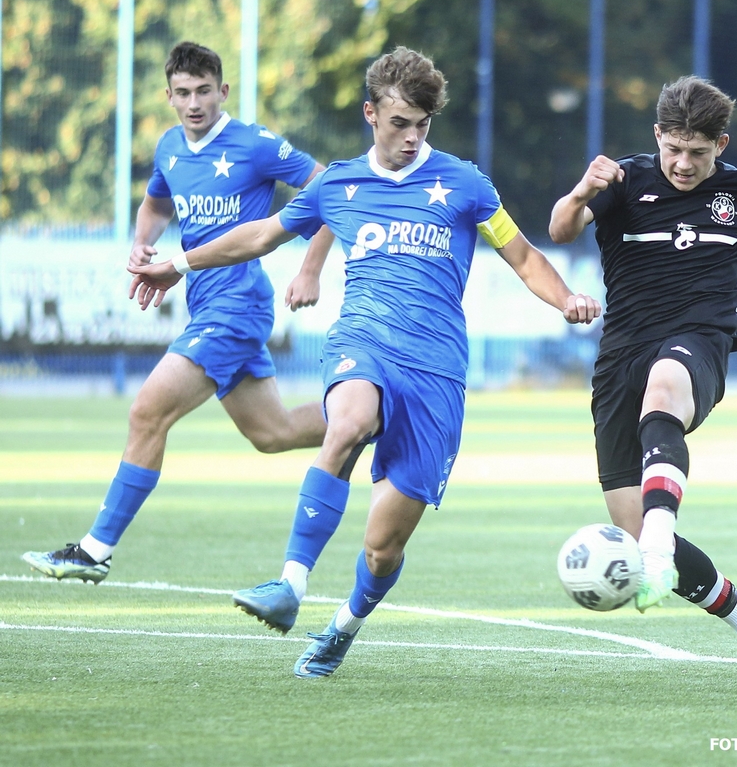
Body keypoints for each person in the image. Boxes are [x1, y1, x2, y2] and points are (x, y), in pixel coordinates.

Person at [127, 46, 601, 679]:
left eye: (422, 125)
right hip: (363, 340)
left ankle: (343, 626)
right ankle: (290, 583)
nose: (411, 138)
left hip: (436, 371)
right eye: (399, 123)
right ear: (371, 113)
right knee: (348, 421)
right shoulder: (339, 184)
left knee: (382, 549)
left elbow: (523, 256)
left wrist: (565, 298)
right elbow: (261, 235)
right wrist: (177, 263)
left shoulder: (465, 184)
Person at [22, 42, 334, 584]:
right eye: (183, 93)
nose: (194, 103)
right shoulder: (170, 147)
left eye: (204, 91)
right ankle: (380, 419)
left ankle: (94, 551)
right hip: (207, 305)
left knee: (147, 412)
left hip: (237, 306)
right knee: (273, 432)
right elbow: (156, 203)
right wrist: (142, 242)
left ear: (223, 91)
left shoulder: (254, 145)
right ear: (168, 96)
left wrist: (310, 268)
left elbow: (330, 188)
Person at [548, 75, 737, 686]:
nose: (683, 164)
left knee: (664, 389)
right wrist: (582, 189)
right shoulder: (623, 180)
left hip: (699, 339)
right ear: (657, 136)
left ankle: (656, 547)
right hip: (620, 356)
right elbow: (561, 229)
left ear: (720, 144)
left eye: (698, 152)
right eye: (673, 149)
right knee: (632, 521)